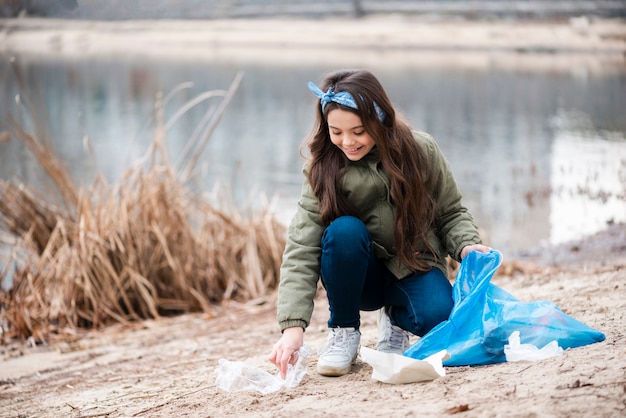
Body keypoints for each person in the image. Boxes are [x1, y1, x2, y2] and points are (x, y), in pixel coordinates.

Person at [269, 69, 490, 378]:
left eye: (359, 131)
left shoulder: (421, 150)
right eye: (337, 132)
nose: (347, 141)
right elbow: (301, 247)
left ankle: (396, 320)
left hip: (414, 264)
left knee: (438, 316)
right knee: (343, 231)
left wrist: (466, 244)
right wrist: (292, 327)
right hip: (360, 277)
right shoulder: (321, 169)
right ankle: (344, 330)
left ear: (381, 119)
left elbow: (451, 212)